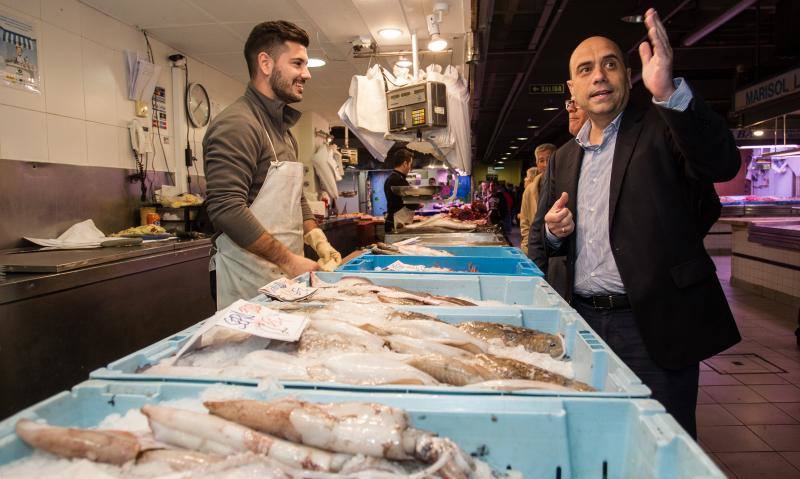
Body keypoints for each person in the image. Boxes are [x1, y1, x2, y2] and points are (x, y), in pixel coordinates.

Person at [530, 8, 740, 438]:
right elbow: (542, 236)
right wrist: (553, 232)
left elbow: (721, 162)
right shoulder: (565, 158)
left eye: (609, 64)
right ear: (573, 89)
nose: (599, 77)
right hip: (582, 321)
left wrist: (670, 93)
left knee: (659, 441)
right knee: (594, 436)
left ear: (628, 75)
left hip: (653, 325)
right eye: (585, 70)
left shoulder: (663, 129)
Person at [203, 21, 342, 310]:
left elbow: (295, 198)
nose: (307, 74)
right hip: (245, 280)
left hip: (279, 279)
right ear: (265, 63)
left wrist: (316, 238)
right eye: (297, 63)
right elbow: (226, 208)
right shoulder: (238, 124)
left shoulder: (282, 129)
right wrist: (289, 260)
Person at [519, 144, 556, 254]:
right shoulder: (529, 190)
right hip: (536, 248)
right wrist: (527, 247)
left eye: (549, 159)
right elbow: (524, 222)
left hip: (560, 250)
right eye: (541, 160)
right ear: (537, 164)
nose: (545, 164)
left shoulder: (566, 184)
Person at [384, 148, 415, 231]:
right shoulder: (398, 180)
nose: (410, 168)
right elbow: (411, 204)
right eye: (410, 165)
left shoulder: (392, 178)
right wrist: (419, 203)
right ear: (405, 163)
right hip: (396, 224)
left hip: (395, 222)